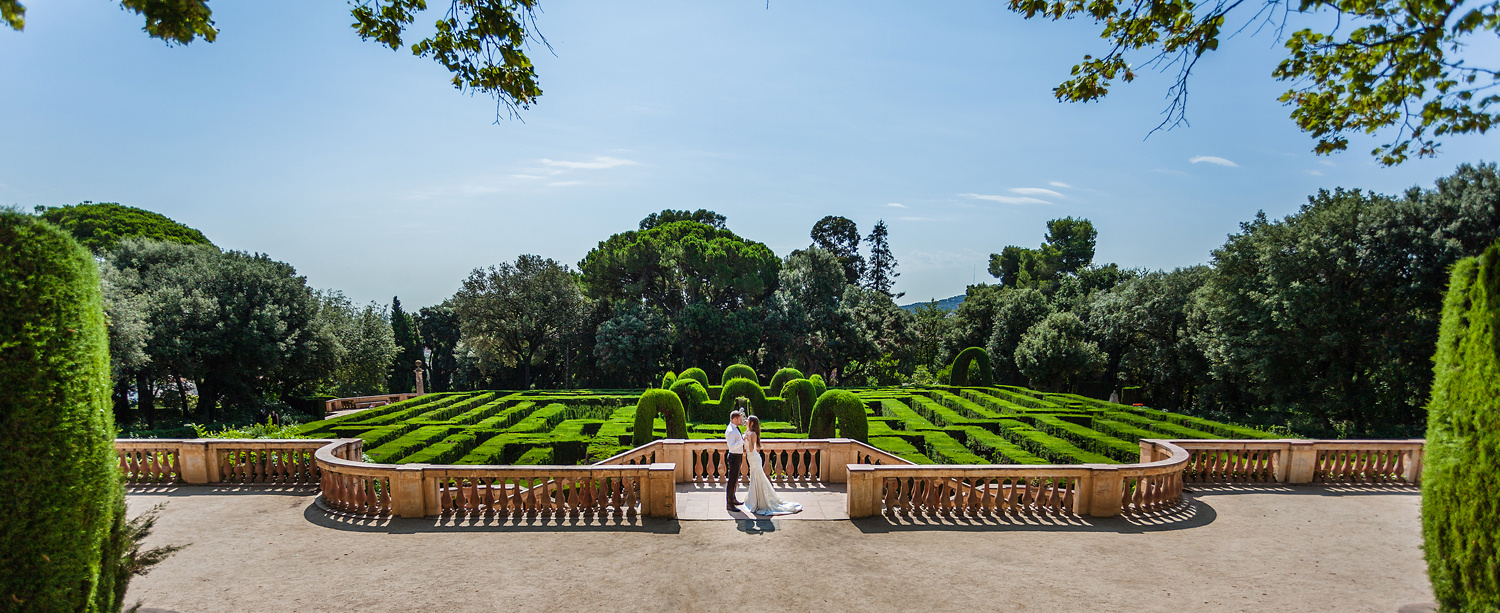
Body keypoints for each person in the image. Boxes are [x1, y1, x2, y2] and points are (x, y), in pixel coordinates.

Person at [742, 415, 803, 516]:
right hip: (752, 458)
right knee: (755, 478)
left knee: (757, 478)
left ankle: (757, 501)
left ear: (752, 423)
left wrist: (746, 438)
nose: (746, 420)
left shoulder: (752, 434)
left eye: (748, 419)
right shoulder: (750, 433)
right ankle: (756, 500)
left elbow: (752, 449)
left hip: (754, 458)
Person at [725, 410, 747, 511]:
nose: (741, 420)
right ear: (734, 419)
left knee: (735, 480)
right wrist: (742, 441)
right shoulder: (730, 431)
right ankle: (729, 504)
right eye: (740, 419)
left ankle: (733, 499)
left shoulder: (734, 428)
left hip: (737, 456)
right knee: (732, 481)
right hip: (734, 456)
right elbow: (731, 446)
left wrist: (743, 436)